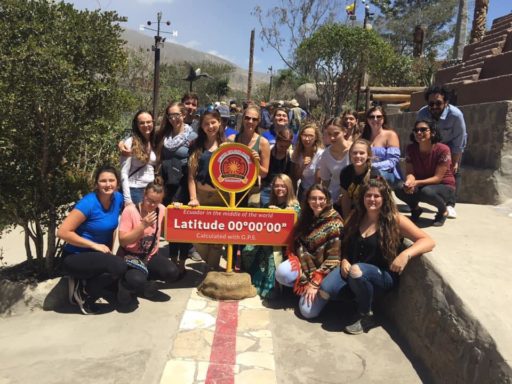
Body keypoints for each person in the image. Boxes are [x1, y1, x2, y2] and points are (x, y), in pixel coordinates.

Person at [329, 178, 435, 334]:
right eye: (368, 195)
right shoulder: (356, 215)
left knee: (356, 271)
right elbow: (345, 242)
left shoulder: (395, 220)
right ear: (362, 197)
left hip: (382, 275)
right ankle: (357, 298)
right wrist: (344, 258)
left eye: (376, 196)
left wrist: (406, 254)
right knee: (327, 290)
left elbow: (428, 241)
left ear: (384, 198)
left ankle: (366, 315)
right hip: (355, 270)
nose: (372, 199)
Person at [58, 165, 127, 315]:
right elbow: (62, 232)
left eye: (111, 180)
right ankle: (83, 293)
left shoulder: (118, 199)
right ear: (96, 183)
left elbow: (111, 228)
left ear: (117, 183)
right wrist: (94, 245)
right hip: (75, 256)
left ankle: (86, 283)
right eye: (103, 181)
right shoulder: (88, 203)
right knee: (118, 266)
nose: (108, 184)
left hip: (96, 256)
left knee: (118, 268)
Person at [275, 184, 343, 318]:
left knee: (307, 312)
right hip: (305, 264)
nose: (317, 202)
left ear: (328, 200)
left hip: (325, 271)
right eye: (313, 199)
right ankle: (304, 290)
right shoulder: (306, 217)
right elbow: (298, 242)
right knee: (282, 273)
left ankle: (321, 292)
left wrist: (315, 281)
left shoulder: (335, 222)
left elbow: (333, 259)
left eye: (321, 198)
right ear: (307, 200)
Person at [117, 180, 179, 302]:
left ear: (161, 201)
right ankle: (124, 285)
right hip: (130, 257)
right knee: (136, 280)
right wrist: (143, 225)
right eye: (149, 200)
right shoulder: (130, 211)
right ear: (144, 195)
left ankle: (147, 281)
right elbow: (122, 241)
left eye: (156, 202)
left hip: (150, 256)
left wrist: (177, 208)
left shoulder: (161, 209)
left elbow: (176, 222)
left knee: (172, 272)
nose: (151, 204)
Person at [156, 101, 200, 271]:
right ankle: (173, 262)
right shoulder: (165, 136)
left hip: (183, 185)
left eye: (176, 115)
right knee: (171, 226)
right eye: (170, 115)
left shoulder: (192, 137)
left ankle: (181, 263)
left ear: (183, 115)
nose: (173, 118)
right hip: (167, 184)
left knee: (182, 225)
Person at [243, 174, 300, 299]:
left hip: (284, 246)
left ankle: (274, 288)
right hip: (267, 240)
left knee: (270, 256)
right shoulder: (267, 204)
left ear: (289, 188)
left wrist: (279, 213)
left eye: (283, 186)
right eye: (277, 186)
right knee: (248, 250)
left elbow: (294, 219)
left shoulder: (294, 205)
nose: (280, 189)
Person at [417, 85, 467, 219]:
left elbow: (459, 141)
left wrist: (455, 161)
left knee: (454, 170)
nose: (434, 106)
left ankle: (450, 204)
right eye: (431, 103)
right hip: (432, 144)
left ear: (446, 102)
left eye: (438, 103)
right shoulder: (422, 113)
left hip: (451, 145)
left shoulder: (456, 115)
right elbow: (419, 133)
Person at [395, 120, 455, 227]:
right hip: (422, 184)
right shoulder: (410, 149)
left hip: (443, 185)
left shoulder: (443, 150)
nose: (419, 133)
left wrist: (416, 183)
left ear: (432, 132)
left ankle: (443, 211)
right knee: (399, 188)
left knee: (426, 192)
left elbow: (437, 178)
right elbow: (410, 172)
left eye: (423, 130)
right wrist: (409, 181)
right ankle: (416, 209)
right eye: (416, 130)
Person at [188, 110, 228, 270]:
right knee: (198, 234)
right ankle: (211, 266)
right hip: (201, 196)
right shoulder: (196, 145)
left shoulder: (227, 144)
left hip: (221, 196)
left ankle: (212, 270)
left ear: (219, 123)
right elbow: (191, 176)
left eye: (213, 122)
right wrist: (193, 197)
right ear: (202, 126)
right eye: (206, 123)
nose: (210, 126)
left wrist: (253, 156)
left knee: (218, 238)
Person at [228, 104, 271, 207]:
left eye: (254, 119)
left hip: (252, 190)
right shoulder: (231, 139)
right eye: (247, 118)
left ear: (258, 121)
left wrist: (255, 163)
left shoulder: (263, 143)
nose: (250, 122)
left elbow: (264, 173)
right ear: (243, 119)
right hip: (232, 188)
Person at [120, 110, 157, 205]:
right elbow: (124, 172)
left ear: (153, 122)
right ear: (137, 125)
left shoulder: (154, 141)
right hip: (135, 190)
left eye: (149, 122)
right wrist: (127, 199)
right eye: (142, 123)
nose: (146, 125)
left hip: (151, 190)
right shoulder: (130, 142)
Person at [361, 106, 402, 188]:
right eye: (371, 117)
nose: (375, 119)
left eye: (379, 117)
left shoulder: (390, 135)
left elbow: (393, 161)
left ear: (383, 119)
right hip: (367, 171)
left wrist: (372, 166)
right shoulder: (363, 137)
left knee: (375, 174)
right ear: (367, 120)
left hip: (388, 174)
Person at [316, 117, 352, 210]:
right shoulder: (325, 155)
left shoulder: (355, 150)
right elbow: (325, 181)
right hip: (335, 200)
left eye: (336, 134)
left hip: (354, 198)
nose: (332, 138)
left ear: (344, 131)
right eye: (329, 134)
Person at [339, 139, 380, 220]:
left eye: (362, 153)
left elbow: (375, 200)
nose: (358, 156)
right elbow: (345, 199)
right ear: (350, 154)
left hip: (369, 210)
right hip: (352, 210)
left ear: (368, 155)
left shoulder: (374, 174)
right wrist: (347, 221)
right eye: (354, 153)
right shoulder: (345, 172)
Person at [260, 128, 293, 207]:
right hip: (266, 188)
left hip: (282, 190)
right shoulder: (268, 151)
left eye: (286, 146)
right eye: (281, 146)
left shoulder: (290, 155)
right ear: (277, 141)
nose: (284, 149)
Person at [291, 121, 324, 201]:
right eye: (304, 135)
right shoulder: (297, 153)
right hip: (302, 189)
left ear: (316, 137)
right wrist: (303, 166)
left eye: (311, 136)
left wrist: (312, 194)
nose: (307, 139)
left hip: (316, 190)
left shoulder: (320, 154)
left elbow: (318, 180)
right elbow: (295, 177)